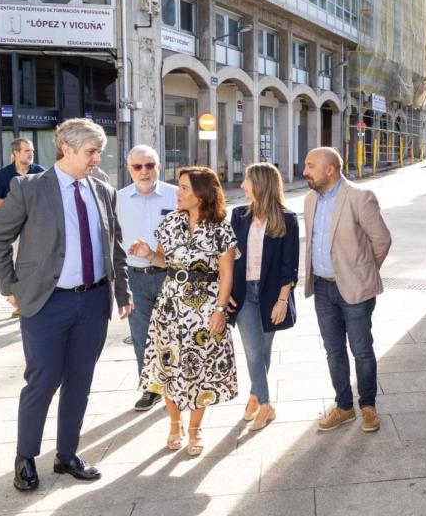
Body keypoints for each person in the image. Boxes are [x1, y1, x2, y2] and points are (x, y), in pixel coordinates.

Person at [0, 118, 132, 491]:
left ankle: (67, 455)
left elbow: (114, 244)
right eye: (91, 152)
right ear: (67, 149)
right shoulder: (28, 188)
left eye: (99, 151)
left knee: (80, 382)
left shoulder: (103, 190)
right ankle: (25, 457)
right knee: (42, 380)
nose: (97, 158)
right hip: (47, 304)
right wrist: (10, 286)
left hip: (93, 302)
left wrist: (122, 293)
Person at [130, 166, 238, 456]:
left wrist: (219, 310)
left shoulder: (221, 228)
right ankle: (175, 424)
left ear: (201, 194)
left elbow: (227, 273)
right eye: (179, 187)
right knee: (169, 366)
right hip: (170, 307)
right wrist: (148, 254)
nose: (177, 192)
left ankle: (195, 429)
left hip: (205, 308)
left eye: (184, 188)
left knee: (199, 368)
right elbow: (164, 261)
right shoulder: (169, 223)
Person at [303, 147, 391, 433]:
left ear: (330, 169)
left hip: (355, 291)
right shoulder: (308, 200)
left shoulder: (358, 197)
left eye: (311, 166)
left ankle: (368, 407)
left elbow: (382, 240)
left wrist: (363, 273)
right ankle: (344, 407)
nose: (305, 171)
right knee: (333, 351)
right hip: (322, 288)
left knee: (361, 350)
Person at [229, 162, 299, 431]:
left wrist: (283, 300)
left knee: (263, 350)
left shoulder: (287, 219)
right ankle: (267, 405)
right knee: (254, 351)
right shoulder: (238, 216)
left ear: (260, 184)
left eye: (247, 180)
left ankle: (254, 396)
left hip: (271, 294)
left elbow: (288, 265)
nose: (243, 186)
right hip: (244, 293)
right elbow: (230, 258)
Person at [116, 145, 177, 412]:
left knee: (173, 335)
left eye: (149, 165)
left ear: (158, 166)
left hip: (170, 275)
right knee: (142, 337)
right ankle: (150, 388)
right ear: (129, 169)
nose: (144, 172)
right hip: (135, 278)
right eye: (138, 167)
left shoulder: (176, 196)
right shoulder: (117, 199)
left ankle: (175, 386)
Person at [0, 138, 45, 209]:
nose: (31, 154)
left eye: (32, 151)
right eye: (27, 151)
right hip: (12, 218)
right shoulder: (2, 174)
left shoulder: (41, 172)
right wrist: (17, 204)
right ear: (16, 153)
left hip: (36, 218)